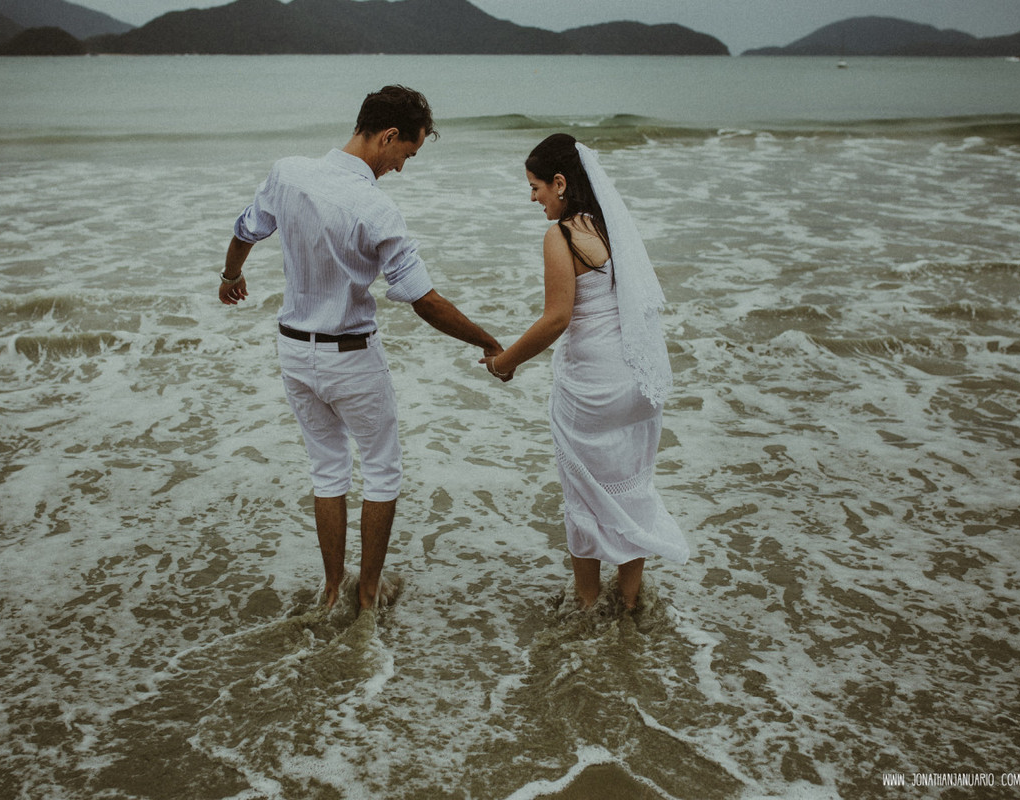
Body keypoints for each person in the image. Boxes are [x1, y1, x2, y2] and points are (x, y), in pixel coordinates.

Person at [218, 85, 505, 612]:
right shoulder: (376, 208)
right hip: (350, 357)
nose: (401, 167)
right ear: (389, 137)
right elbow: (423, 300)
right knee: (381, 470)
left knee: (327, 468)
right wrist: (487, 341)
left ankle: (332, 591)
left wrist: (230, 276)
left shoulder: (288, 173)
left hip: (294, 354)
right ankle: (367, 594)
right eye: (407, 154)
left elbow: (245, 230)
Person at [481, 133, 690, 610]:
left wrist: (503, 363)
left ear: (560, 183)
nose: (532, 197)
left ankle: (587, 602)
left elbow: (557, 319)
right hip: (638, 384)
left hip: (593, 391)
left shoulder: (560, 236)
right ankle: (631, 601)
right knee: (632, 490)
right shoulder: (611, 226)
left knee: (584, 496)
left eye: (535, 186)